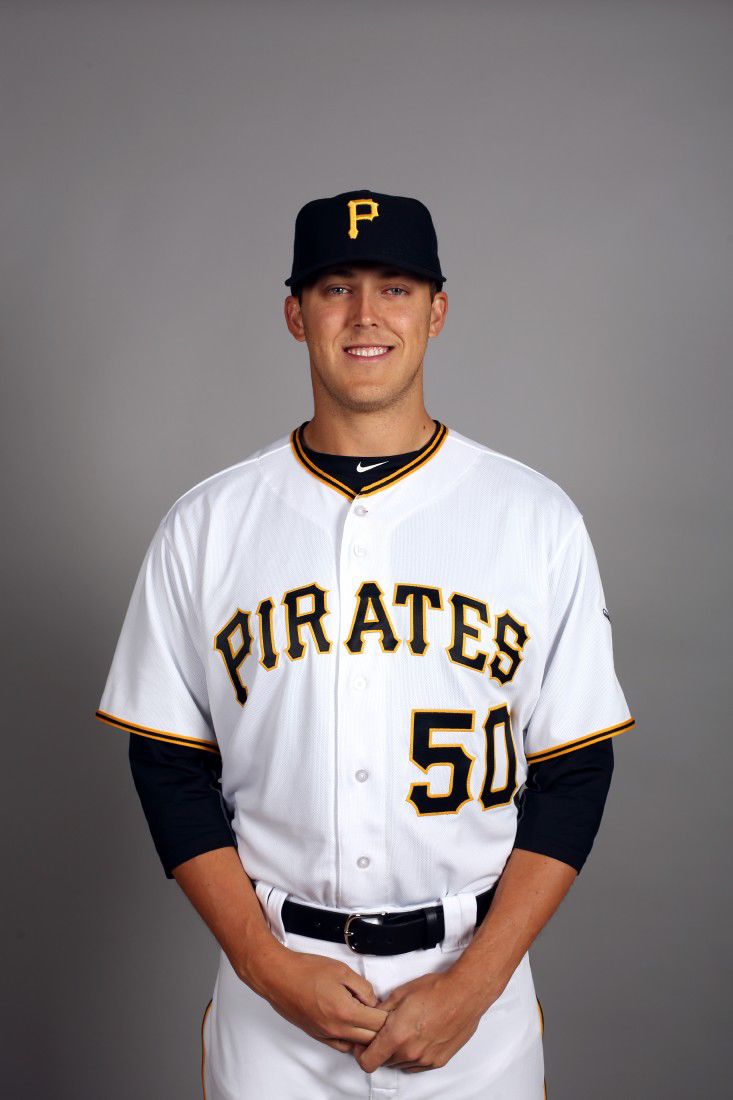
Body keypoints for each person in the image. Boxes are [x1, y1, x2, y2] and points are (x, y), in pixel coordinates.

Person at [96, 188, 635, 1099]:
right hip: (276, 991)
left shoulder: (532, 517)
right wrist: (265, 968)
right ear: (294, 313)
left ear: (437, 309)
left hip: (474, 995)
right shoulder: (207, 523)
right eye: (335, 287)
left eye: (393, 287)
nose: (364, 315)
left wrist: (475, 983)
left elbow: (573, 771)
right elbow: (167, 766)